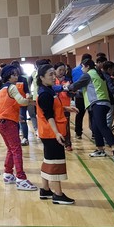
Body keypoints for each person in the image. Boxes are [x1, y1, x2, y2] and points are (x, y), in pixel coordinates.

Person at [67, 58, 114, 161]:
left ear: (87, 66)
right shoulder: (97, 73)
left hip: (99, 103)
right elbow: (87, 90)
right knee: (95, 127)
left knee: (102, 126)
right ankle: (100, 149)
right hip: (100, 103)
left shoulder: (88, 74)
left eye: (82, 67)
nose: (81, 69)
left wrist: (67, 87)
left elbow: (75, 85)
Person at [37, 64, 77, 204]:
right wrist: (57, 133)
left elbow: (52, 108)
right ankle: (58, 194)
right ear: (42, 77)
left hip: (49, 132)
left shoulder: (48, 90)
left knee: (48, 160)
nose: (54, 77)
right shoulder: (44, 93)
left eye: (54, 74)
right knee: (55, 162)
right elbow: (48, 115)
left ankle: (45, 189)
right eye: (51, 75)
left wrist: (66, 108)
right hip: (51, 133)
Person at [0, 65, 35, 190]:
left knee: (11, 149)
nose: (16, 76)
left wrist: (16, 115)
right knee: (16, 149)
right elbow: (21, 101)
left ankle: (8, 173)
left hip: (0, 121)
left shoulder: (2, 89)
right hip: (8, 122)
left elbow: (4, 106)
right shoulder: (12, 87)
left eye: (17, 74)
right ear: (8, 76)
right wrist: (31, 101)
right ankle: (21, 179)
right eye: (14, 74)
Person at [71, 53, 92, 139]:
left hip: (80, 95)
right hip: (84, 95)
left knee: (79, 114)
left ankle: (78, 132)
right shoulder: (89, 71)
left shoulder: (74, 70)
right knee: (89, 114)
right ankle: (93, 133)